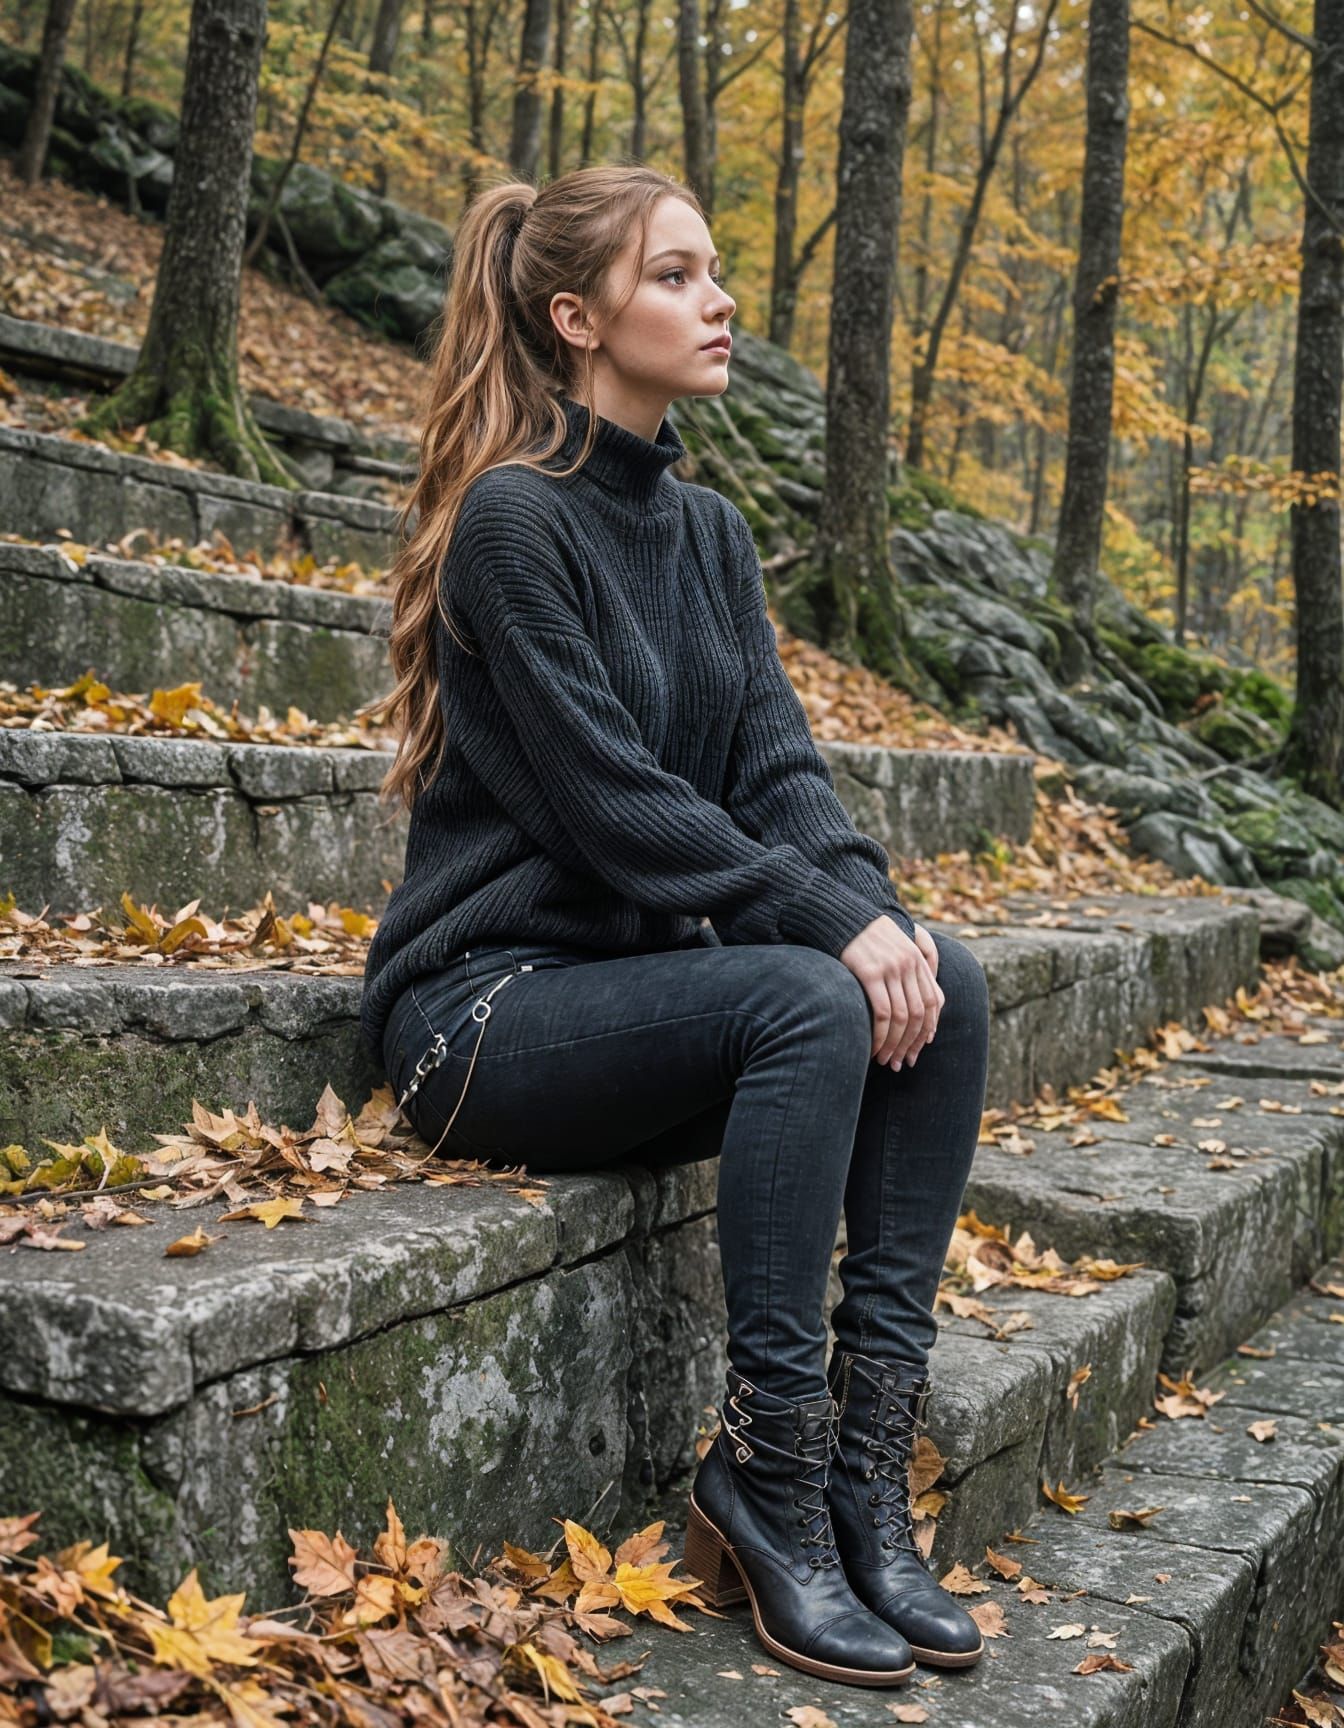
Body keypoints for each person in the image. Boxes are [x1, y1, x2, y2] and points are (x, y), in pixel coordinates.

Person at [360, 162, 991, 1689]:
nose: (718, 303)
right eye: (676, 276)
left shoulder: (705, 534)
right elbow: (615, 806)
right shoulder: (513, 522)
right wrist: (827, 935)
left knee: (947, 985)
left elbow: (778, 770)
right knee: (807, 995)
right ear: (578, 318)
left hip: (634, 1000)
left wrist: (878, 914)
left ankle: (859, 1467)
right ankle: (767, 1479)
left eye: (715, 273)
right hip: (483, 1014)